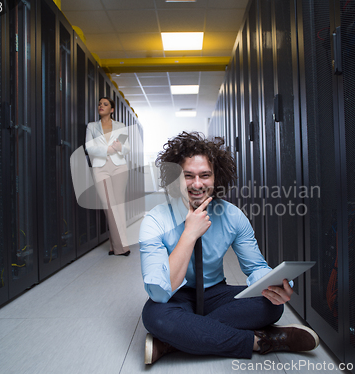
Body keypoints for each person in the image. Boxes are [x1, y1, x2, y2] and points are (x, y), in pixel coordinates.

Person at [139, 131, 319, 365]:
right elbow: (160, 292)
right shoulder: (155, 221)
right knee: (155, 316)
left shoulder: (233, 216)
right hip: (176, 295)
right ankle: (261, 340)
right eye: (188, 176)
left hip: (215, 293)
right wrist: (189, 234)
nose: (197, 184)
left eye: (205, 175)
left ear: (216, 178)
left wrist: (275, 284)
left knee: (270, 307)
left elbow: (256, 267)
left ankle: (174, 341)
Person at [85, 97, 131, 256]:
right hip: (100, 167)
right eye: (99, 104)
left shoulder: (121, 126)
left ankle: (117, 246)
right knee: (109, 206)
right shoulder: (92, 126)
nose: (101, 106)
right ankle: (121, 246)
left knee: (119, 205)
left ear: (112, 109)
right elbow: (89, 147)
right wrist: (108, 150)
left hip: (119, 166)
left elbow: (126, 147)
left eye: (105, 104)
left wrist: (120, 147)